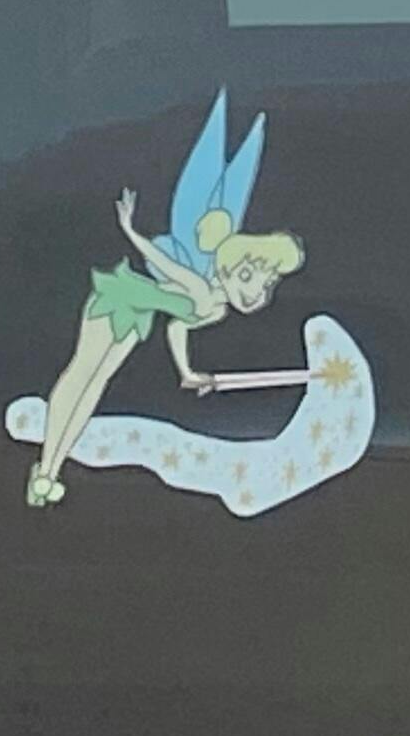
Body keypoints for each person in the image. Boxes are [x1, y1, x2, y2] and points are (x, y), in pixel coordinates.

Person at [25, 94, 304, 506]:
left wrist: (187, 372)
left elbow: (177, 327)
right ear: (233, 265)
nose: (256, 293)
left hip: (140, 315)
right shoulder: (203, 289)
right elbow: (165, 265)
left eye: (265, 286)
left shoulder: (216, 307)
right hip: (121, 297)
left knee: (96, 382)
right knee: (81, 372)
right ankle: (46, 467)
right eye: (251, 277)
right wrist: (131, 231)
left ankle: (51, 471)